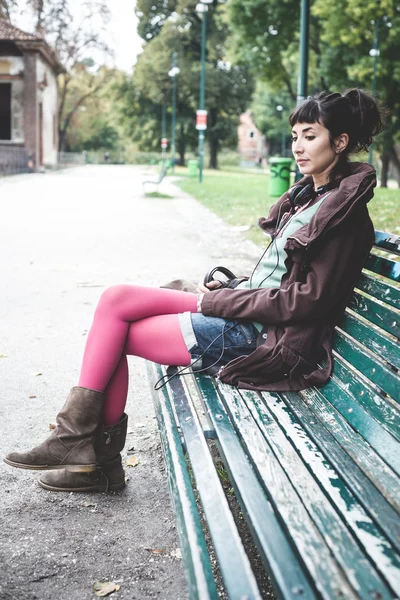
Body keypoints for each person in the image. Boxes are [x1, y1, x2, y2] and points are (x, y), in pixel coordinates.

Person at [4, 88, 385, 493]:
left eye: (310, 136)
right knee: (116, 304)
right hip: (246, 316)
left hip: (260, 338)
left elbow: (304, 302)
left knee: (117, 322)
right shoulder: (314, 198)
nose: (298, 147)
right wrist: (232, 286)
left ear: (340, 142)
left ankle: (88, 455)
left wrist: (217, 300)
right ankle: (85, 453)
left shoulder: (344, 217)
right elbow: (280, 280)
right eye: (294, 136)